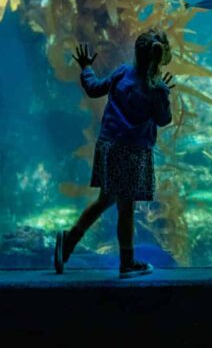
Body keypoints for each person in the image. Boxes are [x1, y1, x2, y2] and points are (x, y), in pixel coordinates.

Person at [54, 30, 175, 279]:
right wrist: (165, 96)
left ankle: (69, 240)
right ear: (161, 56)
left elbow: (94, 88)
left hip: (109, 146)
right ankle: (127, 262)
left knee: (105, 199)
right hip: (132, 152)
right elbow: (164, 120)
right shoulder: (158, 89)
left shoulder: (122, 72)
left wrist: (86, 67)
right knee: (126, 208)